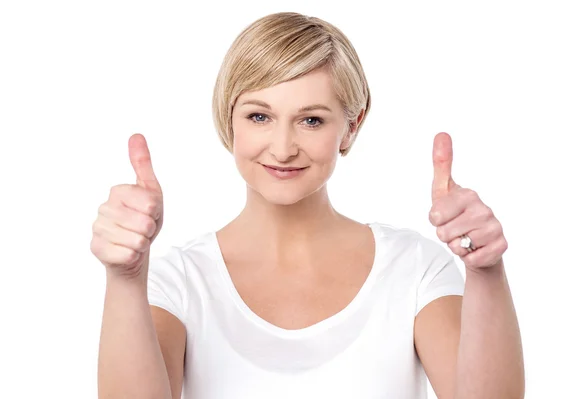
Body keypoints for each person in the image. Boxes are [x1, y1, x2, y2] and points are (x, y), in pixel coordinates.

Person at [91, 12, 524, 399]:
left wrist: (486, 272)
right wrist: (125, 279)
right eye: (259, 116)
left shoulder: (414, 269)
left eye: (311, 120)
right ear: (229, 120)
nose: (282, 148)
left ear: (351, 127)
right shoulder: (178, 281)